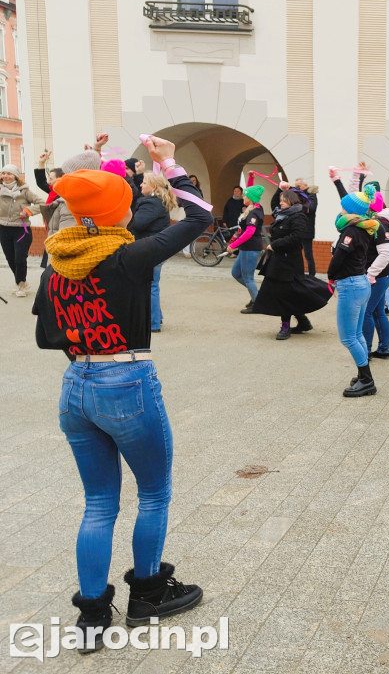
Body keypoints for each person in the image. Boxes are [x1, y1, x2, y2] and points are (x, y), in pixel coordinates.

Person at [32, 136, 208, 652]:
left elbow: (48, 335)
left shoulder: (56, 259)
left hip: (76, 386)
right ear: (116, 211)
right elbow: (198, 217)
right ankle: (149, 594)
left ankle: (91, 616)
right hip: (125, 381)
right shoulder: (128, 257)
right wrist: (169, 164)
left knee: (98, 503)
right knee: (153, 493)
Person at [252, 188, 332, 341]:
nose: (280, 202)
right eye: (281, 199)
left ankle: (285, 327)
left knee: (285, 294)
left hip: (289, 263)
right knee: (285, 293)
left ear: (292, 201)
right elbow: (274, 203)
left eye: (284, 199)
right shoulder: (282, 214)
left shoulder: (298, 216)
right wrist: (279, 189)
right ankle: (302, 321)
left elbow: (296, 237)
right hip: (278, 261)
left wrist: (275, 244)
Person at [327, 183, 380, 397]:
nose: (340, 211)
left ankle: (367, 380)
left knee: (348, 338)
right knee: (357, 334)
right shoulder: (365, 227)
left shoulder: (350, 230)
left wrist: (330, 276)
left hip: (350, 285)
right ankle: (362, 374)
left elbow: (339, 257)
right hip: (361, 282)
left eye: (343, 208)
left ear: (350, 210)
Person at [130, 174, 176, 332]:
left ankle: (153, 322)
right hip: (154, 248)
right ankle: (157, 317)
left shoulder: (151, 203)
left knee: (150, 286)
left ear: (154, 187)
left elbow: (138, 223)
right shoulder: (156, 201)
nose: (141, 186)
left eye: (144, 183)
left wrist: (127, 219)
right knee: (152, 284)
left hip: (149, 249)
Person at [0, 164, 46, 296]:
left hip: (21, 229)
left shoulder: (24, 191)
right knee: (10, 258)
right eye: (3, 173)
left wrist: (28, 211)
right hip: (3, 229)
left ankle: (20, 285)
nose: (5, 176)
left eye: (8, 173)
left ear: (15, 176)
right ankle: (21, 281)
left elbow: (42, 203)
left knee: (20, 258)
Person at [227, 182, 266, 313]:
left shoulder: (254, 213)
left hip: (251, 248)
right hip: (245, 248)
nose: (243, 197)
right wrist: (251, 178)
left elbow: (249, 232)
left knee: (248, 278)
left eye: (245, 196)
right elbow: (252, 191)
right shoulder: (255, 206)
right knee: (236, 273)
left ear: (251, 198)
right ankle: (257, 296)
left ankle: (257, 303)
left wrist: (233, 245)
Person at [363, 204, 389, 360]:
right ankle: (383, 349)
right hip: (381, 276)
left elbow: (386, 254)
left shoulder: (380, 226)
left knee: (366, 312)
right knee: (377, 312)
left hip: (379, 277)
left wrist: (370, 274)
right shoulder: (376, 223)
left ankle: (366, 351)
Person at [295, 178, 319, 275]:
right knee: (296, 253)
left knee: (308, 255)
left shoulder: (311, 195)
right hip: (297, 229)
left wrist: (299, 206)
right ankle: (297, 273)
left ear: (305, 185)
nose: (297, 188)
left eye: (298, 186)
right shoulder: (297, 195)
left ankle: (312, 275)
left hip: (307, 230)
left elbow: (311, 208)